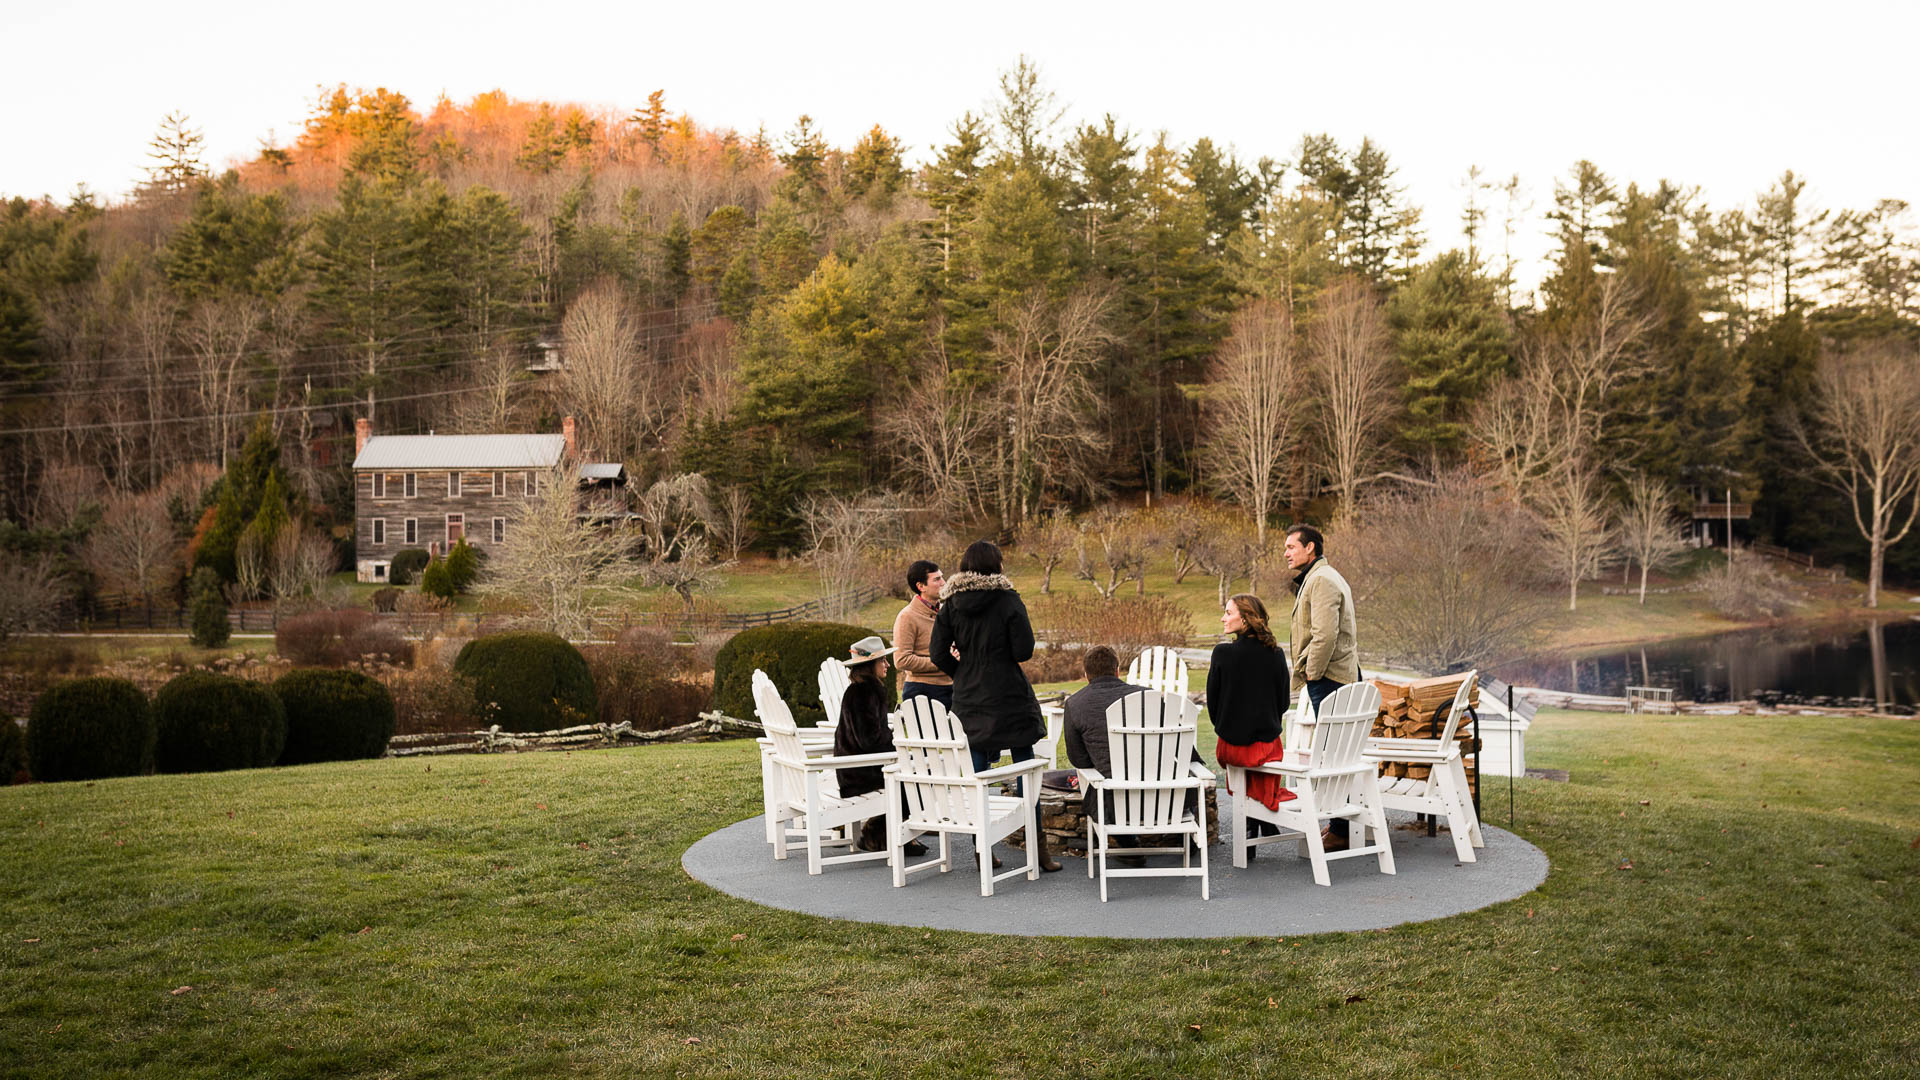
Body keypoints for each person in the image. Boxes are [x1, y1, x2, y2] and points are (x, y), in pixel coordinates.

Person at [931, 539, 1061, 873]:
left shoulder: (951, 605)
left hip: (970, 699)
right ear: (996, 566)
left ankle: (982, 849)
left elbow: (937, 653)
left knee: (979, 776)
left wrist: (963, 672)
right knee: (1026, 774)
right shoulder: (1008, 600)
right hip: (1009, 698)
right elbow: (1023, 650)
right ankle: (1039, 850)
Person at [1063, 645, 1201, 860]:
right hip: (1165, 797)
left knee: (1100, 783)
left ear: (1085, 675)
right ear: (1117, 670)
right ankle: (1188, 840)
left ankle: (1128, 846)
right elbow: (1182, 747)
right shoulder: (1149, 697)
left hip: (1113, 803)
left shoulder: (1075, 704)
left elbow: (1078, 759)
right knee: (1185, 771)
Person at [1284, 523, 1361, 850]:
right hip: (1333, 677)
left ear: (1310, 548)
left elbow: (1325, 635)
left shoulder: (1322, 580)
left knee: (1334, 756)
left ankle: (1340, 831)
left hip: (1330, 679)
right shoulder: (1319, 578)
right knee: (1336, 753)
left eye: (1291, 547)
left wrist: (1311, 673)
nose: (1286, 553)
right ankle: (1340, 826)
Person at [1206, 593, 1295, 856]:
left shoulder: (1222, 653)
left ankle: (1253, 823)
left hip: (1231, 746)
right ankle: (1260, 820)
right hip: (1269, 747)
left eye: (1229, 613)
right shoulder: (1276, 654)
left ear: (1245, 620)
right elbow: (1283, 704)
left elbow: (1213, 704)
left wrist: (1226, 726)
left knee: (1243, 762)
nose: (1223, 618)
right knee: (1260, 760)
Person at [830, 635, 925, 855]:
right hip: (859, 773)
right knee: (913, 777)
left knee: (911, 770)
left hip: (854, 769)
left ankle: (888, 835)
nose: (887, 665)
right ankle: (876, 835)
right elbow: (869, 739)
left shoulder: (860, 690)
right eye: (882, 661)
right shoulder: (865, 692)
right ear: (869, 665)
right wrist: (898, 747)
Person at [892, 559, 952, 710]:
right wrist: (940, 662)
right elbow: (901, 660)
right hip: (922, 691)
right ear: (921, 586)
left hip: (953, 689)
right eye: (937, 579)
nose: (944, 583)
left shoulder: (948, 612)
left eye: (942, 577)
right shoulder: (907, 617)